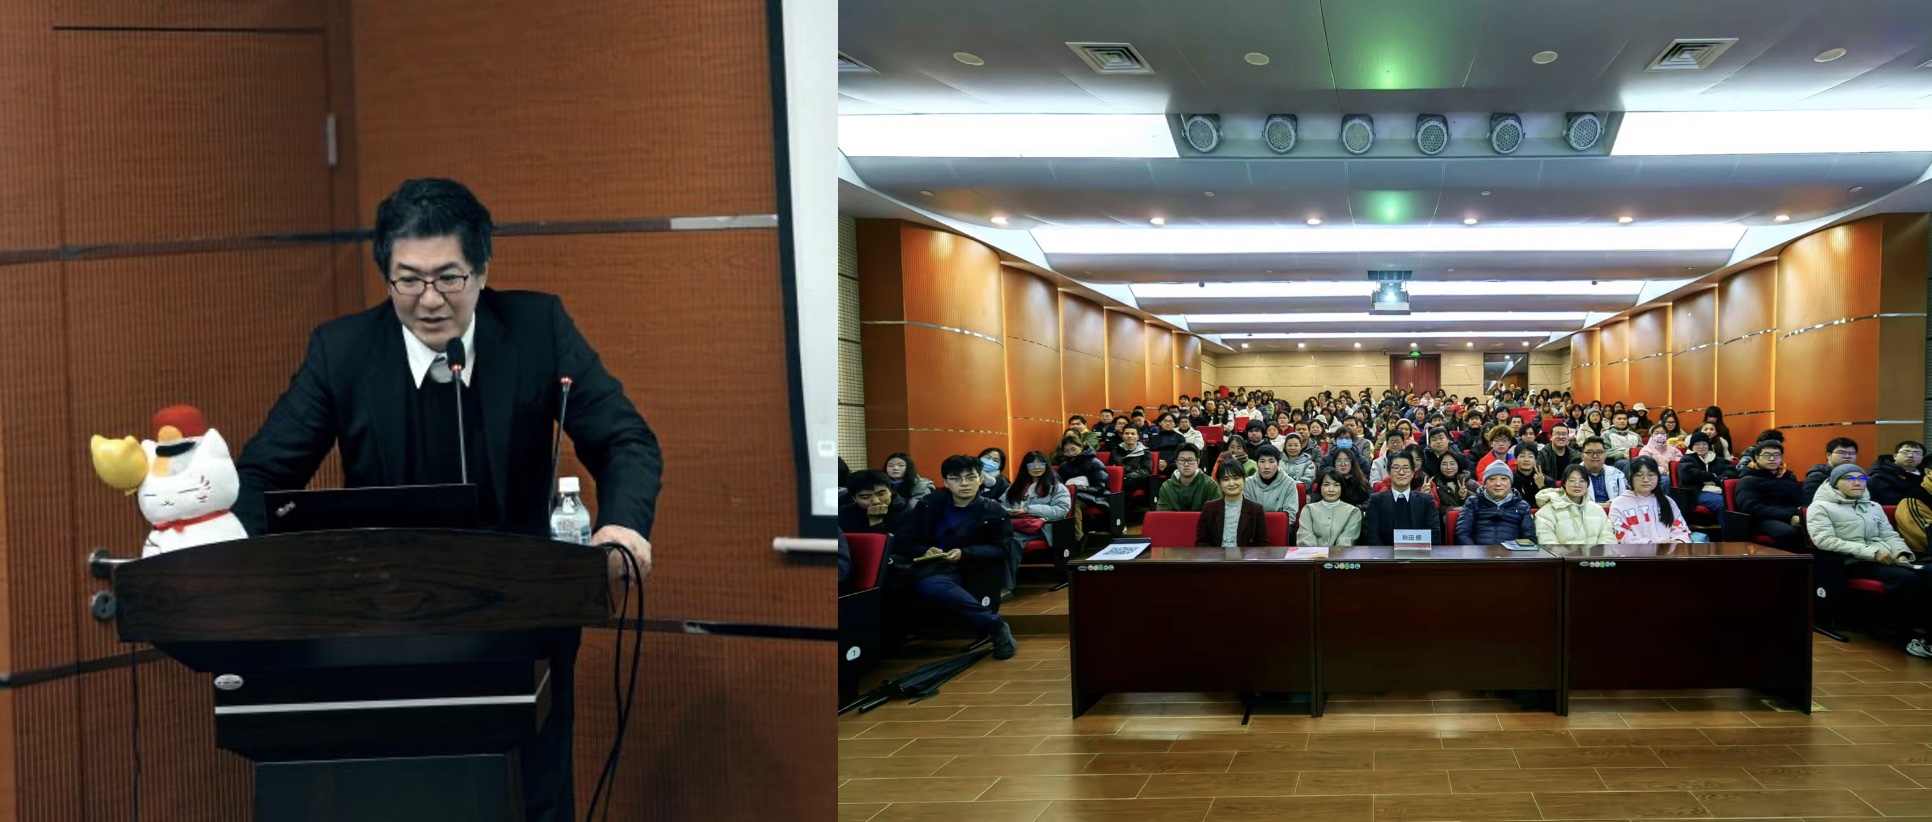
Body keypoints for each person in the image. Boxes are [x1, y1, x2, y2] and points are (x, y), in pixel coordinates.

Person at [233, 178, 659, 822]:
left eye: (449, 278)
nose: (430, 300)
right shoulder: (342, 352)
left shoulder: (538, 328)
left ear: (482, 270)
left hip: (523, 620)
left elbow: (625, 439)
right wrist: (220, 552)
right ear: (386, 275)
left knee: (534, 797)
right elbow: (263, 474)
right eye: (409, 280)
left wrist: (622, 528)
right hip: (386, 628)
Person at [1806, 463, 1931, 659]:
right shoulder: (1821, 507)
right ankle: (1904, 636)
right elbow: (1825, 540)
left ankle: (1925, 630)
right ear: (1835, 483)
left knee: (1929, 572)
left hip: (1883, 558)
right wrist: (1872, 552)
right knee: (1906, 580)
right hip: (1849, 562)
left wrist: (1902, 553)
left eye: (1862, 478)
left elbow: (1890, 535)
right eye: (1850, 478)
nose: (1857, 482)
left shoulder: (1873, 506)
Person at [899, 456, 1019, 660]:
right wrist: (925, 550)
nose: (964, 483)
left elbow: (1003, 548)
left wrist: (966, 552)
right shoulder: (928, 505)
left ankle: (994, 626)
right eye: (956, 478)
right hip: (937, 566)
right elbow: (905, 540)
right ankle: (995, 625)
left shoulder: (994, 510)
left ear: (981, 479)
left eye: (971, 477)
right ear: (945, 482)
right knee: (928, 585)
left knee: (933, 585)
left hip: (975, 567)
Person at [1001, 451, 1072, 596]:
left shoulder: (1056, 488)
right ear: (1025, 467)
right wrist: (1009, 512)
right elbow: (1000, 506)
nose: (1036, 467)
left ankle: (1005, 587)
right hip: (1016, 526)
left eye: (1040, 463)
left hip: (1042, 529)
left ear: (1046, 466)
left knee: (1012, 541)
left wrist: (1028, 510)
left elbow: (1060, 510)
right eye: (1031, 464)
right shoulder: (1016, 487)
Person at [1736, 440, 1806, 551]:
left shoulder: (1788, 477)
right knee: (1788, 532)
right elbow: (1750, 506)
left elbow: (1801, 500)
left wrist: (1801, 515)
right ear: (1757, 458)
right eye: (1766, 455)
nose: (1772, 459)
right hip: (1762, 520)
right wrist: (1789, 516)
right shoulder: (1748, 480)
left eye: (1776, 455)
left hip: (1792, 516)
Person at [1611, 457, 1696, 544]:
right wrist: (1652, 545)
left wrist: (1677, 542)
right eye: (1639, 475)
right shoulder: (1619, 504)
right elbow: (1622, 535)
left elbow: (1681, 529)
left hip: (1670, 550)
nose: (1646, 480)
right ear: (1631, 477)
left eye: (1651, 475)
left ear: (1658, 477)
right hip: (1637, 552)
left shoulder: (1667, 501)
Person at [1363, 452, 1442, 545]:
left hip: (1419, 552)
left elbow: (1434, 535)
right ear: (1389, 473)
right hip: (1384, 553)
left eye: (1406, 468)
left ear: (1412, 473)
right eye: (1396, 468)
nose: (1401, 473)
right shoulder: (1376, 501)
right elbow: (1371, 535)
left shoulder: (1426, 501)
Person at [1534, 464, 1617, 544]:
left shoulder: (1597, 510)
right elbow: (1547, 543)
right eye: (1572, 480)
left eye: (1582, 481)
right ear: (1564, 483)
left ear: (1587, 484)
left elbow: (1608, 537)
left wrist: (1597, 554)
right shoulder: (1546, 512)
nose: (1577, 484)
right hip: (1563, 554)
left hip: (1596, 554)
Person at [1458, 461, 1535, 545]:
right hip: (1478, 552)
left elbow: (1529, 538)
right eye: (1492, 479)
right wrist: (1474, 552)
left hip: (1511, 552)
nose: (1498, 483)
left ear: (1510, 483)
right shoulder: (1473, 502)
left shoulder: (1522, 506)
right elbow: (1462, 534)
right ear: (1484, 484)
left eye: (1503, 479)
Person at [1197, 457, 1268, 547]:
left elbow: (1261, 545)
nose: (1231, 483)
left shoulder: (1256, 510)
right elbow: (1202, 542)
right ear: (1219, 483)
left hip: (1245, 556)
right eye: (1226, 479)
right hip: (1216, 555)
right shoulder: (1209, 508)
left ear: (1244, 480)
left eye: (1236, 478)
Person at [1297, 470, 1363, 547]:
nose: (1331, 489)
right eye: (1326, 485)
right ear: (1320, 487)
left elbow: (1347, 539)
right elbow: (1305, 537)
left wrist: (1335, 553)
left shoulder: (1353, 512)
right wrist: (1316, 553)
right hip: (1311, 553)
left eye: (1336, 485)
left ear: (1342, 488)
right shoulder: (1308, 510)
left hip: (1341, 553)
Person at [840, 470, 911, 536]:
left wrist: (876, 522)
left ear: (890, 491)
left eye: (881, 494)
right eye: (866, 497)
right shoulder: (844, 513)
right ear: (854, 498)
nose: (876, 501)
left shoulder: (905, 512)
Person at [1679, 432, 1735, 515]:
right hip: (1697, 491)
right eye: (1697, 444)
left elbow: (1732, 472)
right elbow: (1689, 474)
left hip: (1718, 489)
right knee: (1722, 504)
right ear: (1692, 446)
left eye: (1704, 444)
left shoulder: (1717, 459)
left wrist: (1717, 478)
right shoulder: (1687, 459)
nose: (1701, 447)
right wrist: (1712, 476)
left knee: (1737, 502)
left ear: (1709, 446)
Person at [1246, 445, 1301, 527]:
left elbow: (1291, 515)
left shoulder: (1289, 483)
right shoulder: (1247, 483)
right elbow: (1245, 513)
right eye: (1262, 461)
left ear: (1278, 464)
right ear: (1256, 464)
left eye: (1271, 461)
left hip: (1280, 526)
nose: (1266, 467)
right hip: (1253, 527)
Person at [1155, 444, 1217, 512]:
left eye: (1190, 460)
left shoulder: (1210, 486)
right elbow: (1163, 515)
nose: (1186, 464)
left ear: (1198, 462)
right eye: (1182, 460)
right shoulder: (1167, 487)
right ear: (1176, 463)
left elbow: (1215, 514)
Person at [1870, 441, 1931, 507]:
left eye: (1917, 453)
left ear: (1922, 458)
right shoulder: (1881, 476)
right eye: (1905, 452)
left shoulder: (1927, 474)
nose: (1910, 456)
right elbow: (1890, 500)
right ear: (1895, 456)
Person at [1576, 437, 1628, 508]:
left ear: (1605, 455)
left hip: (1614, 512)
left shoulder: (1617, 474)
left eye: (1599, 452)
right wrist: (1605, 506)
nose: (1595, 456)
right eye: (1590, 452)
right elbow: (1573, 502)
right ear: (1582, 456)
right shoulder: (1573, 475)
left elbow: (1625, 499)